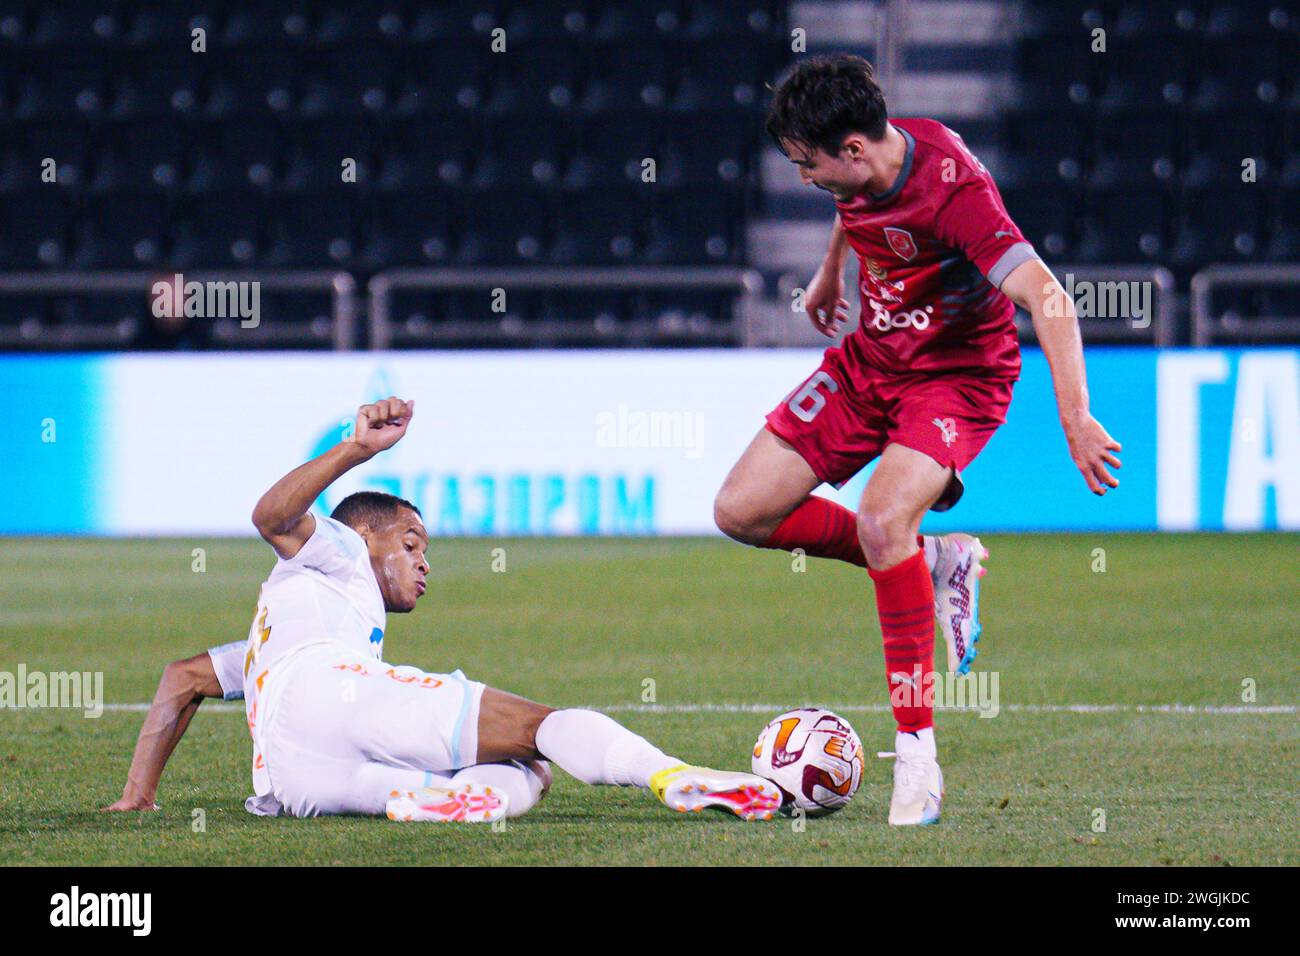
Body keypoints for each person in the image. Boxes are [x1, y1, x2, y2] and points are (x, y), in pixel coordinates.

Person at [713, 55, 1121, 826]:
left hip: (955, 379)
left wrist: (1075, 418)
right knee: (740, 511)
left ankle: (920, 760)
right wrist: (831, 273)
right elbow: (854, 211)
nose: (805, 178)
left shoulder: (954, 193)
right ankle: (936, 558)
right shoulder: (866, 165)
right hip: (871, 361)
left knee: (881, 519)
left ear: (855, 150)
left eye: (810, 164)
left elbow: (1048, 296)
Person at [106, 397, 781, 823]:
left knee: (523, 776)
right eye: (412, 543)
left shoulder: (288, 624)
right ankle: (671, 775)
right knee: (541, 729)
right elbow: (271, 515)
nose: (425, 563)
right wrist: (353, 448)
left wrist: (140, 795)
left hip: (292, 779)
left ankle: (451, 802)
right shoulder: (339, 548)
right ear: (364, 535)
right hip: (332, 698)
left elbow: (181, 678)